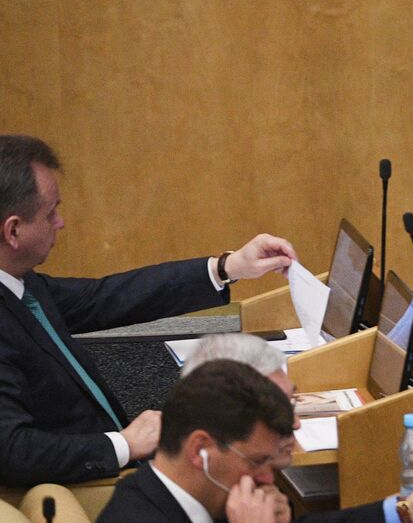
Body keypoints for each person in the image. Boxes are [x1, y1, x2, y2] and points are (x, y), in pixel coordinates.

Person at [0, 134, 296, 487]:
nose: (60, 222)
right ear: (13, 230)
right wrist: (123, 445)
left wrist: (227, 267)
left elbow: (106, 298)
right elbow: (13, 451)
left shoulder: (21, 283)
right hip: (90, 486)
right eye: (51, 213)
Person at [81, 360, 413, 523]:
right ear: (201, 449)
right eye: (258, 462)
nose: (268, 478)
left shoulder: (192, 498)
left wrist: (403, 514)